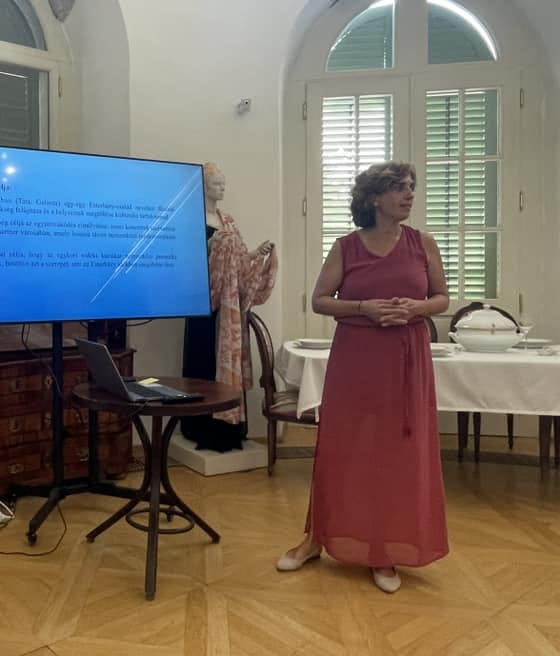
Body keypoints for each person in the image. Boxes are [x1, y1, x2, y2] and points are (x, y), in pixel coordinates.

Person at [275, 161, 450, 593]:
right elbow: (320, 300)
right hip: (355, 359)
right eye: (399, 188)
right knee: (342, 449)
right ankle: (316, 538)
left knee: (395, 454)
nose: (409, 194)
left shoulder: (423, 243)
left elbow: (441, 298)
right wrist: (363, 308)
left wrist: (416, 308)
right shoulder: (346, 247)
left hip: (406, 361)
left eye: (411, 187)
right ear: (374, 198)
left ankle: (383, 550)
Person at [181, 162, 277, 451]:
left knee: (225, 362)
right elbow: (188, 260)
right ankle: (201, 427)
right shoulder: (190, 218)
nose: (222, 189)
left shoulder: (228, 221)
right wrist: (214, 247)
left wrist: (257, 253)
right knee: (203, 365)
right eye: (216, 184)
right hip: (203, 305)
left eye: (223, 184)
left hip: (228, 307)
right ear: (204, 187)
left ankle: (227, 429)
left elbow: (238, 263)